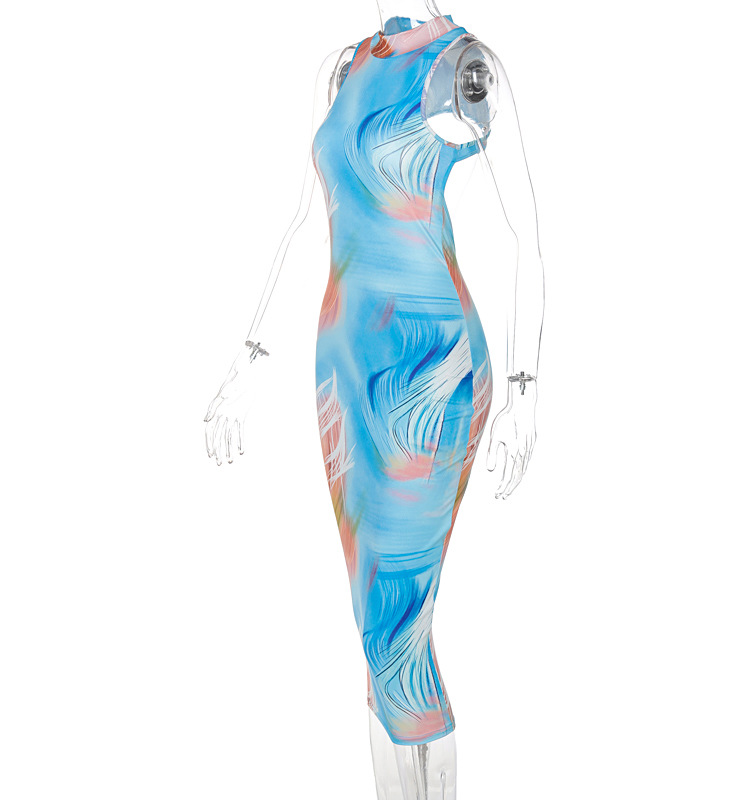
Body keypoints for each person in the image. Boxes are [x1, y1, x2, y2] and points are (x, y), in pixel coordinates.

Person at [204, 4, 544, 797]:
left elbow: (525, 233)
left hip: (428, 367)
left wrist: (525, 391)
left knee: (399, 631)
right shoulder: (341, 67)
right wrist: (245, 362)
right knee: (374, 622)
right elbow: (303, 221)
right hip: (344, 371)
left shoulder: (464, 64)